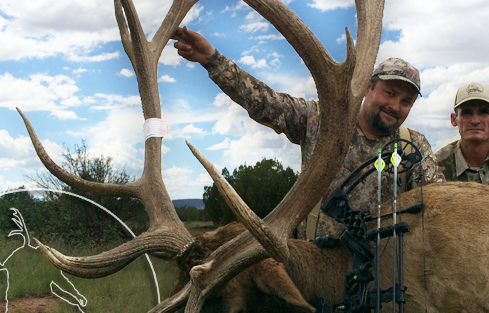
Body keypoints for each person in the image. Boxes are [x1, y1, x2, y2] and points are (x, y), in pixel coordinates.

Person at [172, 26, 444, 239]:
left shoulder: (413, 146)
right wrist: (213, 60)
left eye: (406, 101)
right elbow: (265, 101)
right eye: (390, 93)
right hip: (312, 270)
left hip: (378, 284)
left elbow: (438, 206)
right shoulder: (320, 120)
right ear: (368, 88)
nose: (395, 106)